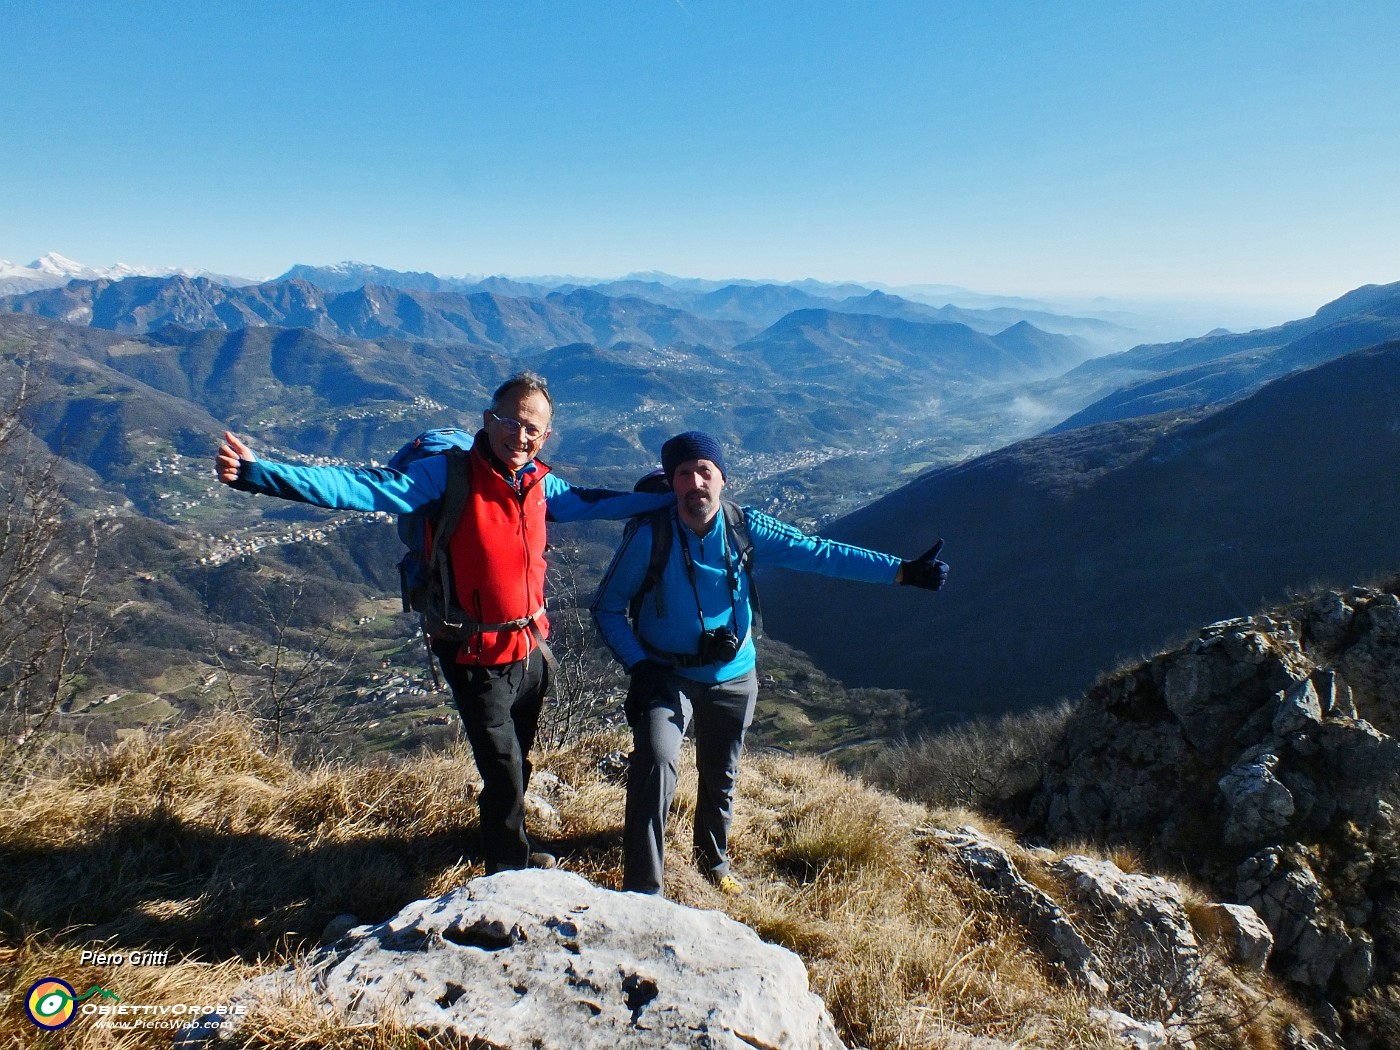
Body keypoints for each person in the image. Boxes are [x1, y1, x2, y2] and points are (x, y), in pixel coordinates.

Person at [214, 371, 671, 874]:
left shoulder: (541, 484)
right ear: (488, 421)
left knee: (519, 760)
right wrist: (262, 473)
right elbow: (356, 486)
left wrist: (674, 500)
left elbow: (602, 502)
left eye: (534, 431)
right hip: (474, 654)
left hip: (532, 650)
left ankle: (508, 834)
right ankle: (508, 870)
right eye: (512, 423)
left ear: (545, 437)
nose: (521, 437)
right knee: (502, 771)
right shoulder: (445, 478)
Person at [591, 431, 948, 896]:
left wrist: (902, 571)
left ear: (723, 479)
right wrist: (640, 666)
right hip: (665, 674)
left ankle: (713, 863)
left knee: (721, 774)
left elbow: (820, 553)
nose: (695, 481)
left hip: (734, 674)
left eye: (705, 471)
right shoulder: (648, 537)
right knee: (656, 764)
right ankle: (644, 891)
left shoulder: (745, 528)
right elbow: (605, 606)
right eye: (684, 473)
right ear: (672, 484)